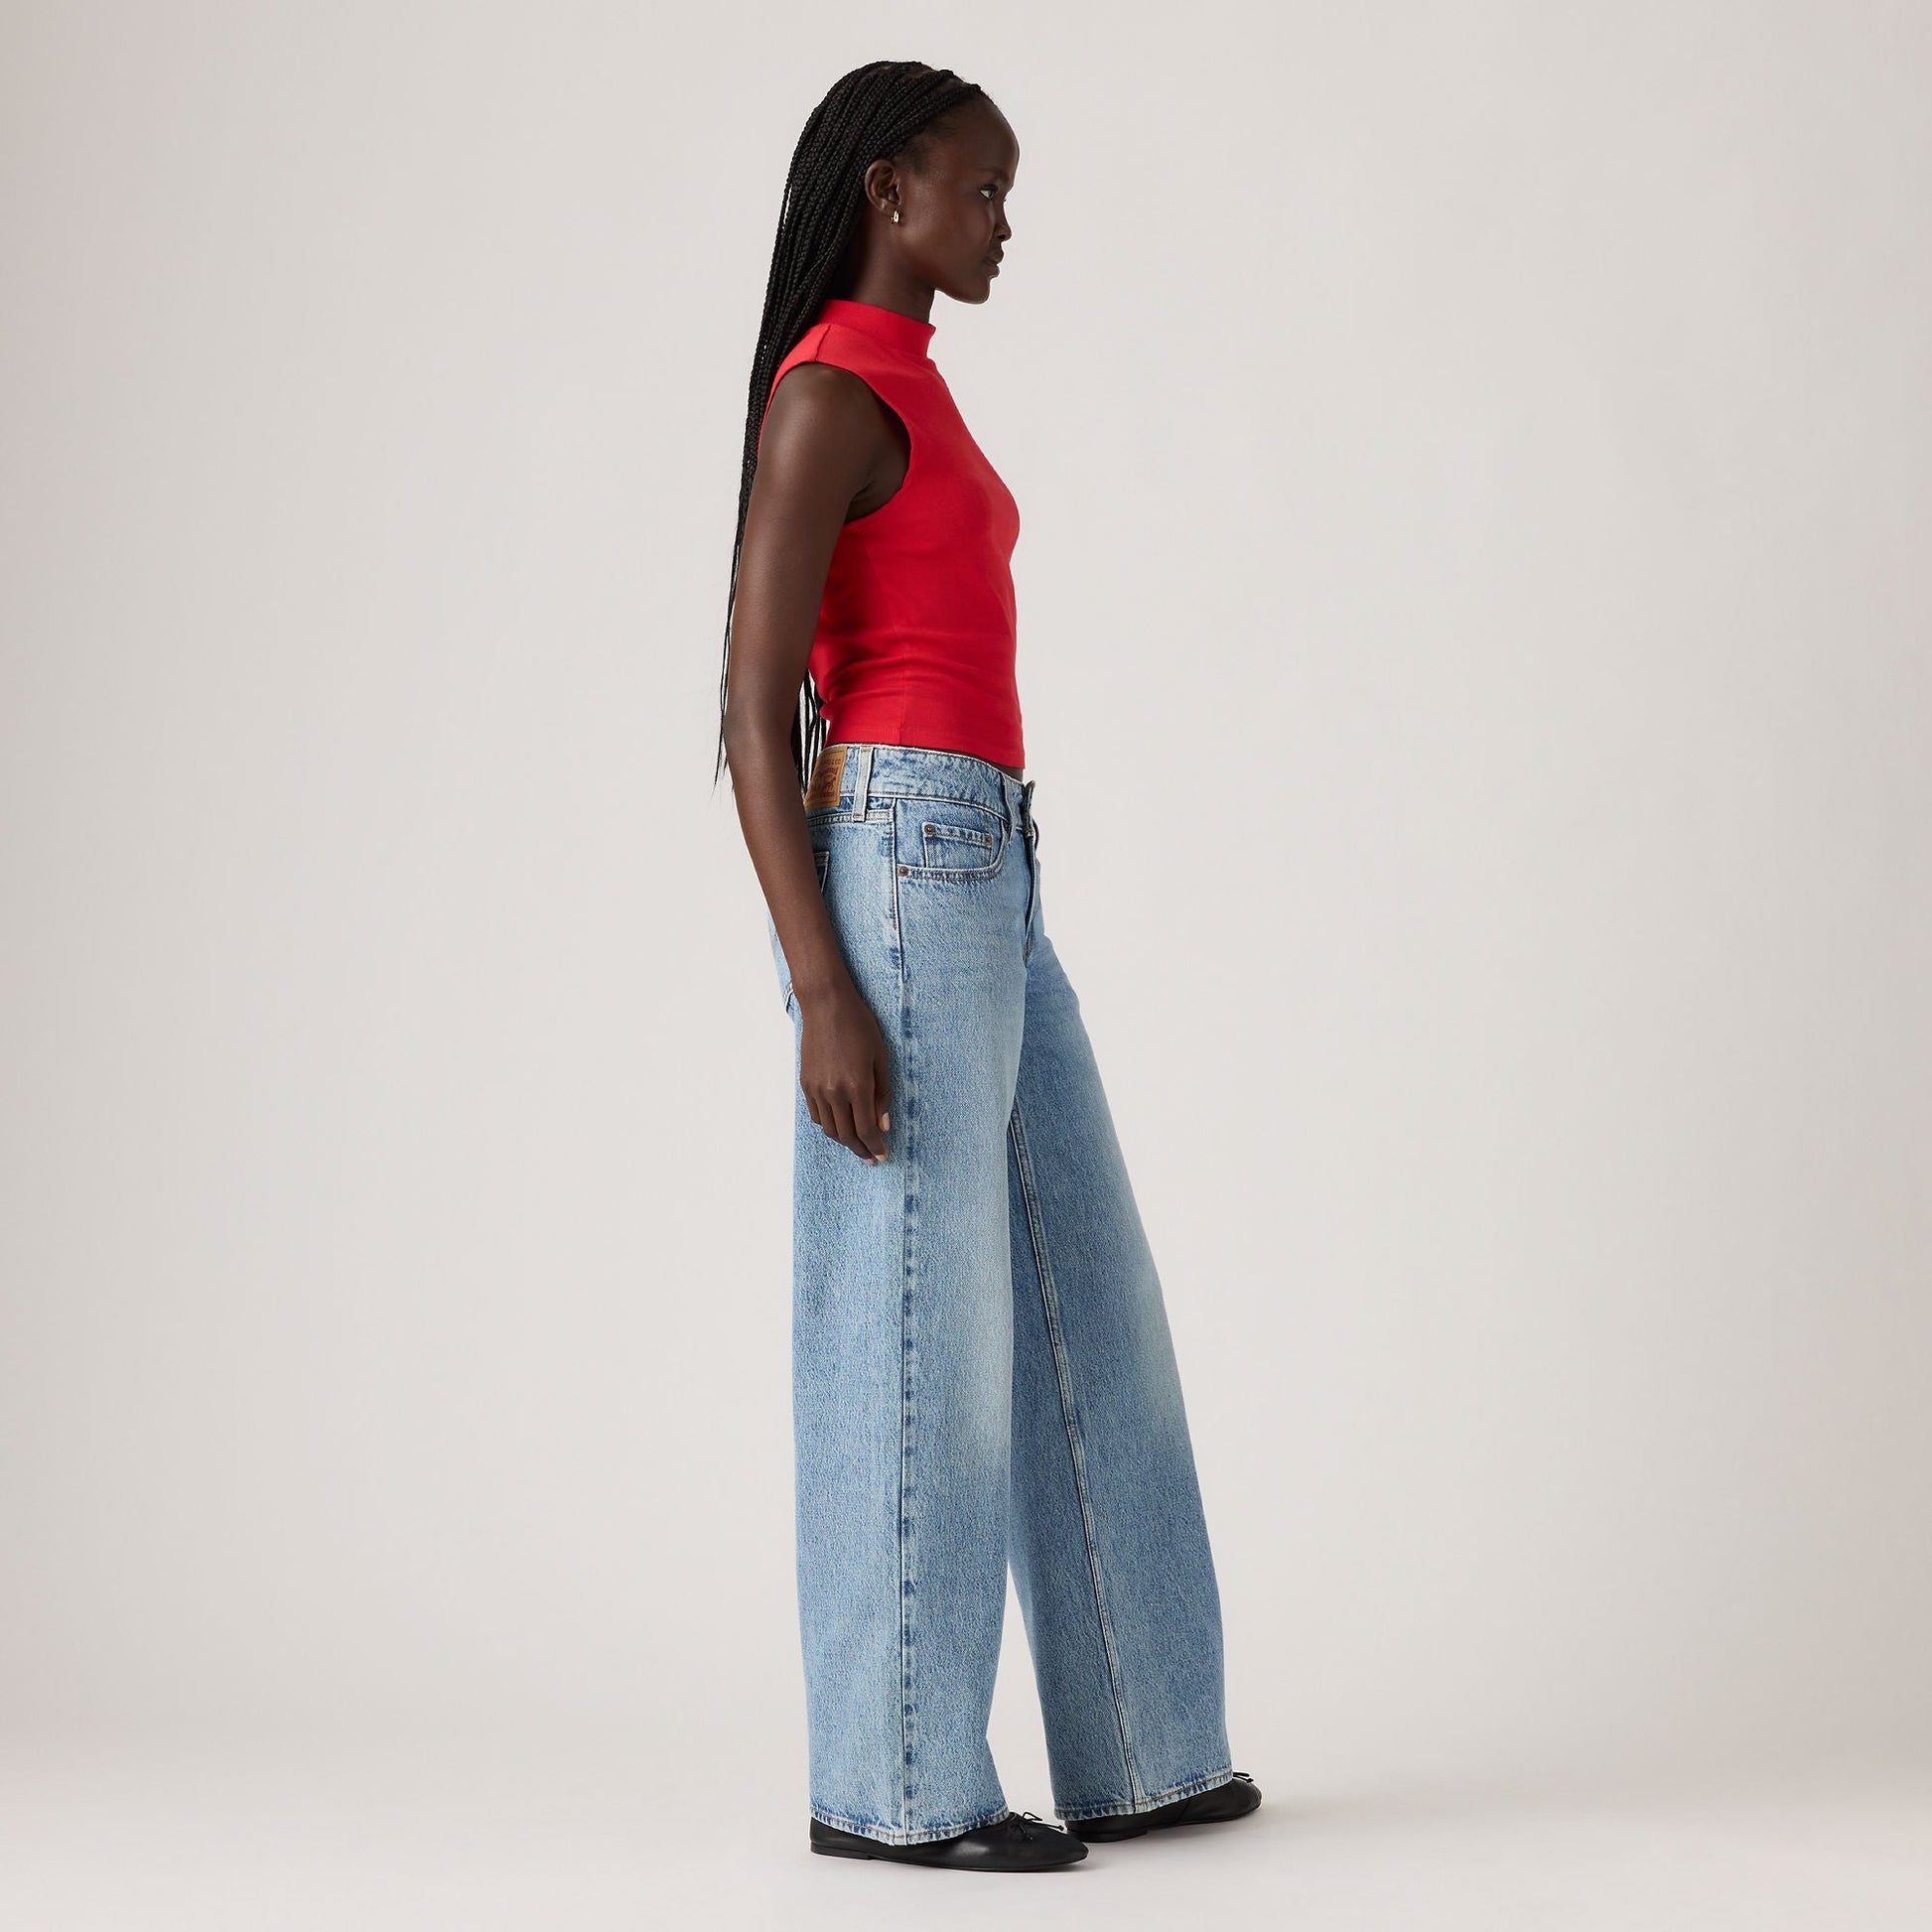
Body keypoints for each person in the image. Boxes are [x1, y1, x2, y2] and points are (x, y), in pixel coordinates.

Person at [716, 60, 1260, 1873]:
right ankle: (891, 1781)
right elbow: (749, 704)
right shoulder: (827, 393)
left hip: (987, 862)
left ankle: (1145, 1744)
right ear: (888, 190)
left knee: (1081, 1289)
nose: (1004, 222)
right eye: (982, 188)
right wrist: (823, 988)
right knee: (915, 1319)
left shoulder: (915, 385)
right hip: (898, 863)